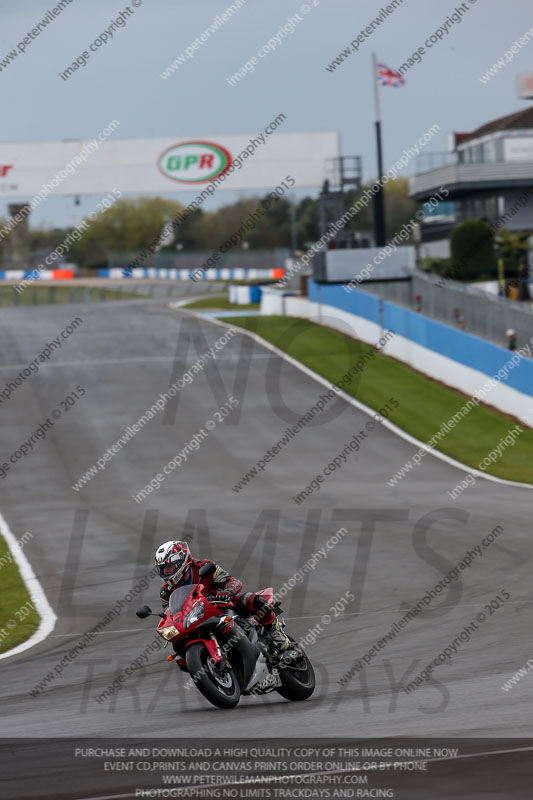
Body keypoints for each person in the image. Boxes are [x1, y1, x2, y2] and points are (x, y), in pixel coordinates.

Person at [154, 540, 291, 652]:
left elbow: (232, 581)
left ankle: (276, 632)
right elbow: (171, 612)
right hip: (194, 619)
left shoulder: (204, 566)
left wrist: (228, 591)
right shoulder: (166, 591)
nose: (166, 571)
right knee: (177, 644)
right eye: (163, 568)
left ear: (181, 561)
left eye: (169, 567)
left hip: (221, 604)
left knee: (251, 600)